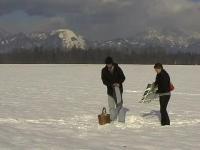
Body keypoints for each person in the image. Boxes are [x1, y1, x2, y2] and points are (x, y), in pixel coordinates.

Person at [101, 56, 126, 122]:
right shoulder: (104, 70)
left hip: (118, 90)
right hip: (110, 91)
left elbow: (123, 77)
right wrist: (111, 84)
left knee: (119, 105)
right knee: (111, 106)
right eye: (107, 64)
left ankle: (121, 120)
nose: (108, 65)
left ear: (112, 63)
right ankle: (112, 119)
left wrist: (118, 83)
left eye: (109, 64)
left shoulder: (118, 68)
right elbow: (104, 81)